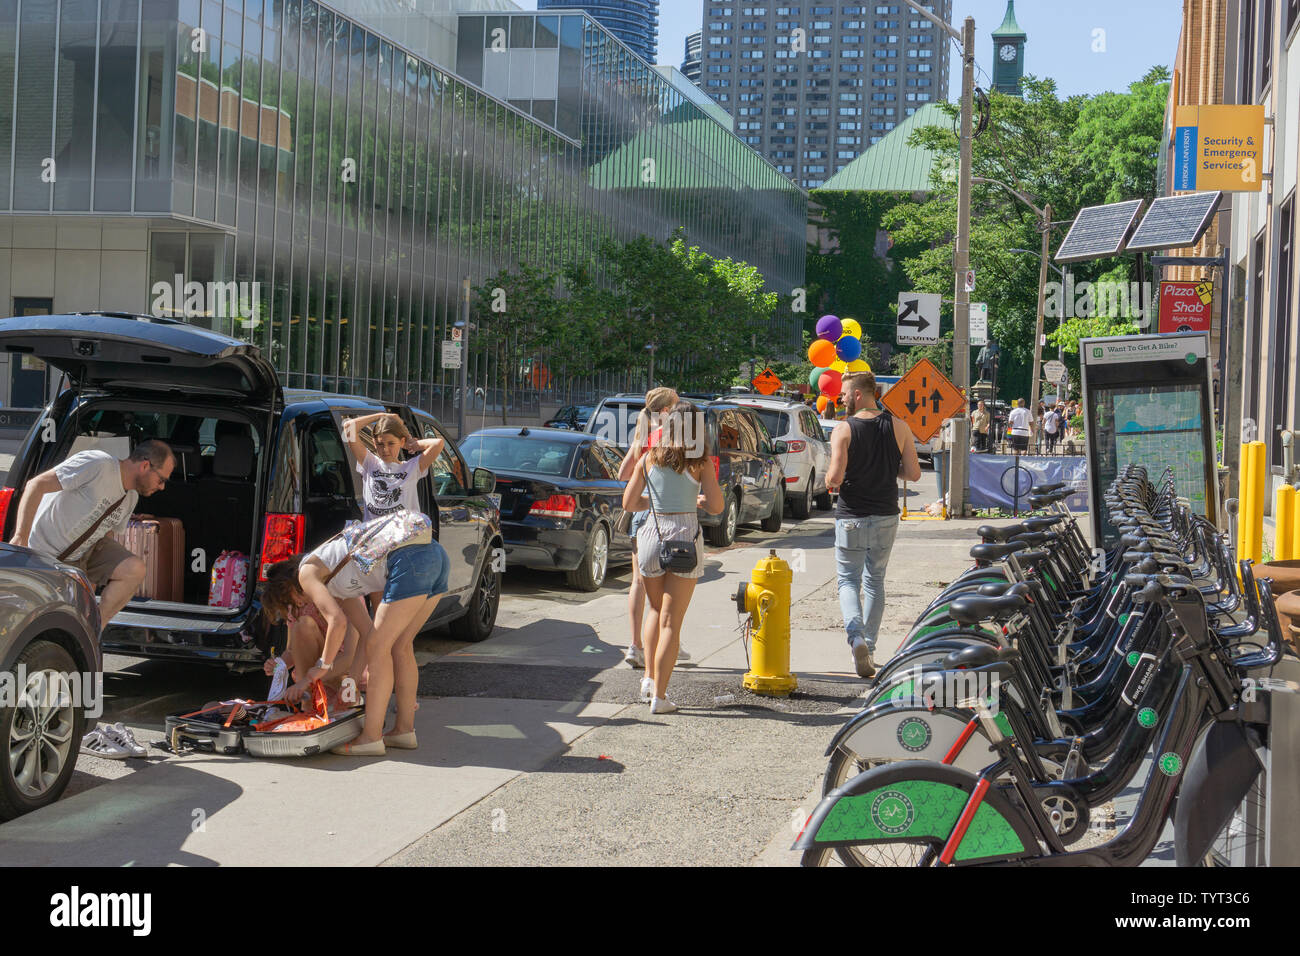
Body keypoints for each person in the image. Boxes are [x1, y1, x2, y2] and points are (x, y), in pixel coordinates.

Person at [262, 528, 449, 755]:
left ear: (289, 587)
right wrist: (350, 682)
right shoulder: (336, 577)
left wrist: (314, 674)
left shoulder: (307, 573)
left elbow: (337, 622)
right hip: (436, 554)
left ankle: (370, 738)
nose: (301, 604)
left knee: (379, 647)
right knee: (399, 645)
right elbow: (365, 631)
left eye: (291, 600)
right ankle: (404, 731)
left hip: (410, 558)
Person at [622, 401, 724, 713]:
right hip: (684, 537)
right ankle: (660, 698)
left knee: (654, 611)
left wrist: (657, 503)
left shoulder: (648, 459)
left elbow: (629, 503)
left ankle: (649, 680)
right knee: (671, 622)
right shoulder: (700, 461)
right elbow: (718, 507)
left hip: (651, 535)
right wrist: (698, 501)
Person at [10, 439, 175, 630]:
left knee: (134, 569)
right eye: (161, 479)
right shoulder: (99, 464)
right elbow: (36, 485)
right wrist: (20, 536)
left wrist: (93, 580)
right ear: (145, 465)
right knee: (28, 624)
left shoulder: (130, 498)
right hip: (39, 554)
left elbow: (106, 539)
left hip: (75, 561)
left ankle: (94, 629)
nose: (162, 487)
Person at [826, 371, 922, 678]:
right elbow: (914, 473)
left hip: (852, 515)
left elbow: (835, 478)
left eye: (843, 393)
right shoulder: (899, 426)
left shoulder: (844, 429)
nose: (840, 398)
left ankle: (856, 639)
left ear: (857, 394)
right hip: (885, 514)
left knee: (847, 581)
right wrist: (885, 471)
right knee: (875, 580)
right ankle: (870, 644)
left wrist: (830, 480)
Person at [342, 411, 445, 613]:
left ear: (401, 442)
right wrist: (381, 415)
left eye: (391, 443)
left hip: (404, 549)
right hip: (374, 549)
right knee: (380, 610)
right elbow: (349, 428)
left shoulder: (412, 467)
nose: (385, 449)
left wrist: (413, 444)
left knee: (396, 613)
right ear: (374, 442)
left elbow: (438, 444)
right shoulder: (369, 462)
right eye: (380, 444)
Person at [616, 387, 687, 669]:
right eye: (677, 405)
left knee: (638, 583)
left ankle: (636, 645)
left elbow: (623, 474)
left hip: (640, 515)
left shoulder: (643, 437)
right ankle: (668, 641)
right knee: (671, 589)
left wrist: (640, 475)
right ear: (667, 411)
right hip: (666, 516)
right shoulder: (673, 439)